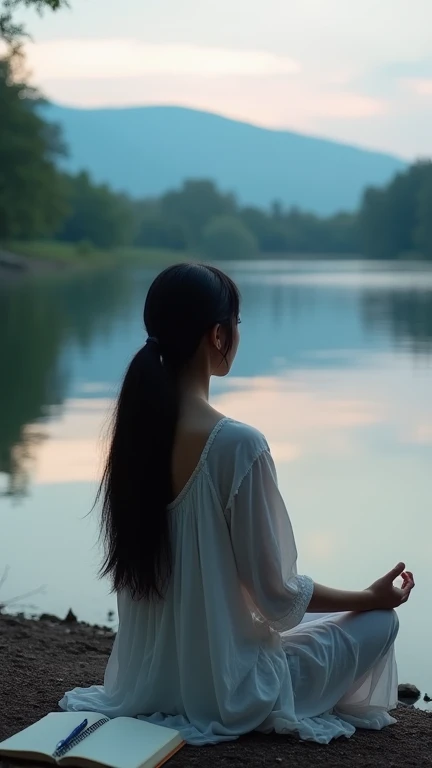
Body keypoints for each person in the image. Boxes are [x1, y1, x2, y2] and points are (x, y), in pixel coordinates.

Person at [60, 263, 415, 745]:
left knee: (324, 617)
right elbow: (277, 596)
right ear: (218, 336)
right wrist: (369, 598)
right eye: (237, 324)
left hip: (144, 685)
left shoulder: (133, 436)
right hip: (233, 692)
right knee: (378, 621)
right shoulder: (237, 445)